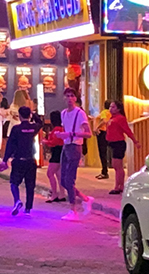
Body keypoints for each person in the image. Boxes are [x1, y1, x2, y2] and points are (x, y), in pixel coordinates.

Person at [0, 106, 42, 215]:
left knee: (14, 182)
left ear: (20, 116)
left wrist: (5, 159)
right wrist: (34, 114)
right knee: (30, 185)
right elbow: (40, 123)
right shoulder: (33, 128)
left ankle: (17, 200)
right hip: (31, 160)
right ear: (29, 115)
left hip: (18, 160)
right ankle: (28, 209)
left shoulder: (16, 129)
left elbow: (10, 145)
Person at [55, 90, 91, 219]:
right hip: (66, 146)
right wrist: (61, 135)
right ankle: (85, 199)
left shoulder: (80, 114)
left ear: (75, 98)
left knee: (69, 180)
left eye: (72, 96)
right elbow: (66, 129)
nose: (69, 98)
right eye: (67, 96)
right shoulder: (63, 113)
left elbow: (89, 134)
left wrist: (71, 134)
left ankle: (73, 209)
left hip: (75, 146)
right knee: (63, 180)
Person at [105, 100, 140, 195]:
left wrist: (135, 141)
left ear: (118, 109)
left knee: (117, 165)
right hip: (113, 143)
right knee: (116, 165)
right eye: (110, 107)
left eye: (113, 107)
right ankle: (120, 185)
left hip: (119, 143)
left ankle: (118, 186)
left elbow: (127, 131)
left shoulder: (120, 118)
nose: (110, 109)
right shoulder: (111, 118)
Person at [44, 111, 66, 202]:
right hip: (61, 151)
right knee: (58, 174)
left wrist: (46, 142)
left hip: (56, 152)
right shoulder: (62, 128)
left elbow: (54, 142)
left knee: (50, 173)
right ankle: (62, 193)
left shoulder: (56, 129)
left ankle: (54, 194)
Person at [94, 104, 113, 180]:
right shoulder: (111, 113)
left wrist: (97, 127)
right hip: (108, 132)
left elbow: (105, 121)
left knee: (102, 152)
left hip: (102, 132)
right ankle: (104, 170)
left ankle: (104, 171)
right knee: (105, 152)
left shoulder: (105, 112)